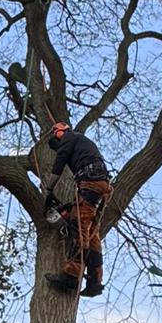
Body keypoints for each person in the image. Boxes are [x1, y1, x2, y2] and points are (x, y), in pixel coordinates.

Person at [43, 122, 110, 297]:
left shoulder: (70, 137)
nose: (59, 148)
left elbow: (61, 159)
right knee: (92, 233)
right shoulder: (83, 144)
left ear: (60, 132)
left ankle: (71, 276)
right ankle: (95, 281)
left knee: (78, 226)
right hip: (101, 185)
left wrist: (49, 189)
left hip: (90, 181)